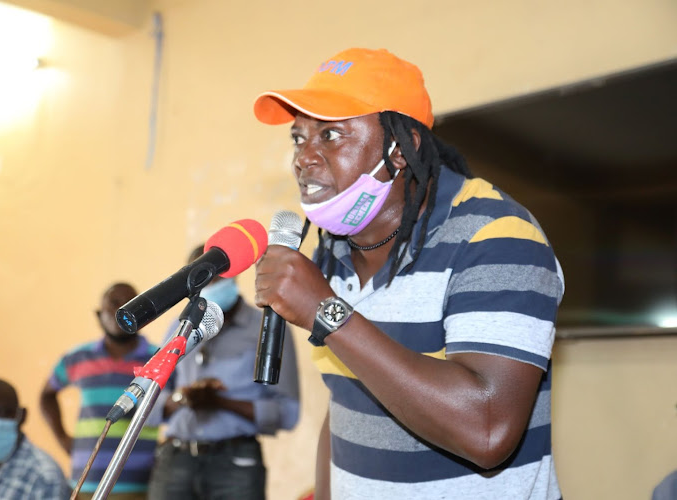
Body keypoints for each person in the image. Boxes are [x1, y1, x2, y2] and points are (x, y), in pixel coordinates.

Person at [253, 47, 565, 499]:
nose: (305, 157)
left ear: (401, 149)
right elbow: (346, 404)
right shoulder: (331, 249)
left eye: (332, 135)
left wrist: (326, 312)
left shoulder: (497, 236)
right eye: (299, 138)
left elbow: (487, 431)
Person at [147, 243, 301, 500]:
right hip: (176, 460)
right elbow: (150, 401)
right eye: (198, 277)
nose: (209, 283)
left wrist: (221, 402)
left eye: (215, 274)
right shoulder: (179, 327)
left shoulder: (266, 327)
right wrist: (182, 399)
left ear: (233, 273)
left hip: (235, 463)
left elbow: (287, 412)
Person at [40, 282, 162, 499]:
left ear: (146, 316)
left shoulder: (161, 359)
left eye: (132, 304)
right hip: (86, 483)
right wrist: (62, 438)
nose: (123, 310)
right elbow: (46, 395)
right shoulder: (77, 358)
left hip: (140, 485)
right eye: (114, 304)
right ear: (99, 315)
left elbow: (175, 409)